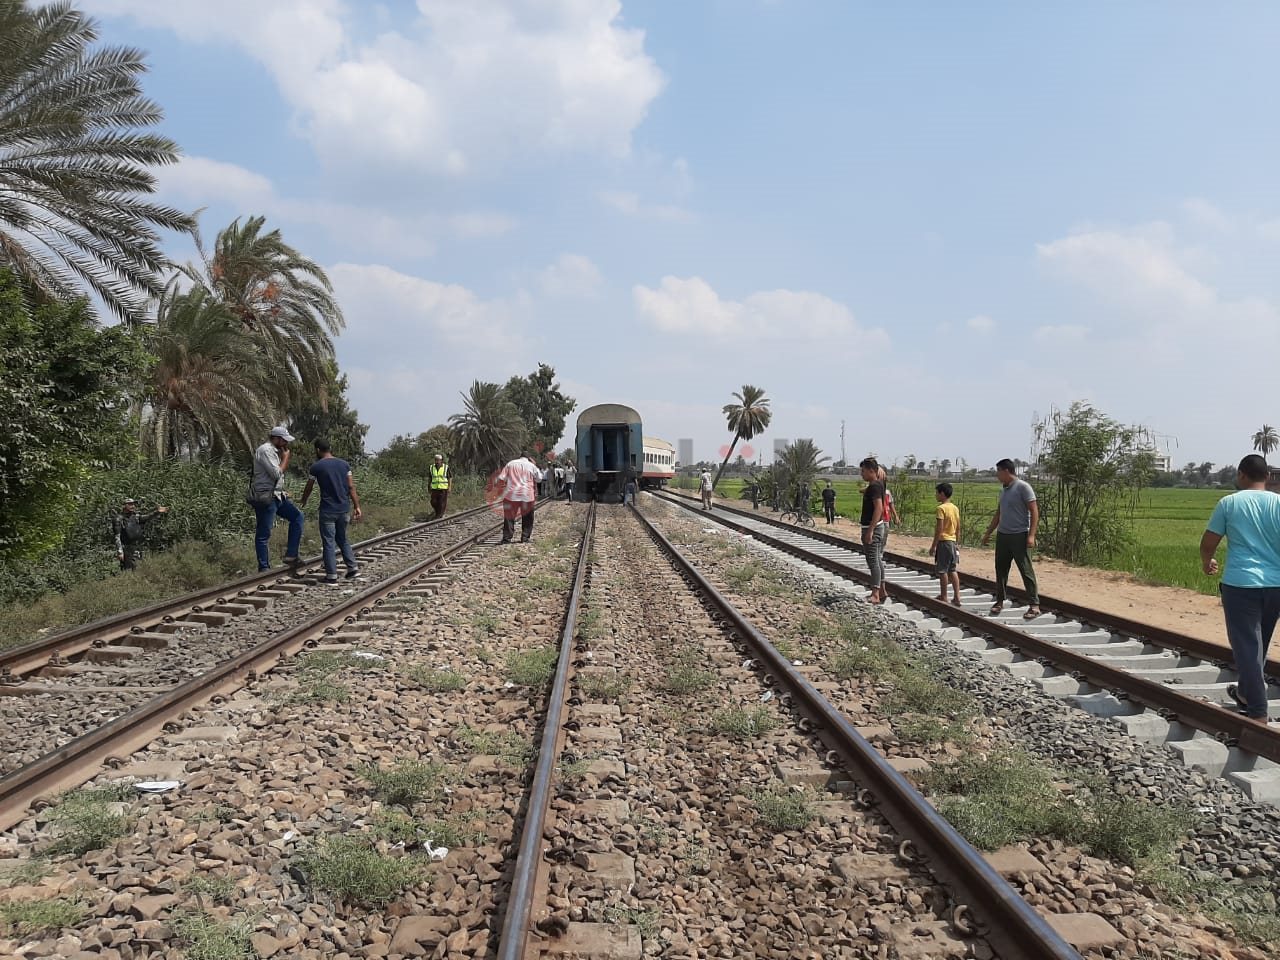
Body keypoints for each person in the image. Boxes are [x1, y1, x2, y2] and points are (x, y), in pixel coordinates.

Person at [1199, 454, 1280, 721]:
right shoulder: (1279, 503)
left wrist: (1207, 560)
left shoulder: (1230, 503)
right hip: (1275, 585)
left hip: (1241, 584)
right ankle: (1246, 693)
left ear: (1241, 475)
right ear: (1267, 477)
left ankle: (1257, 712)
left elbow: (1209, 540)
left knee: (1246, 646)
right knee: (1259, 645)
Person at [981, 458, 1040, 619]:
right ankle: (999, 601)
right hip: (1003, 536)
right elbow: (999, 514)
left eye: (998, 472)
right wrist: (988, 533)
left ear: (1006, 471)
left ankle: (1034, 605)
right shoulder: (1003, 490)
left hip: (1019, 535)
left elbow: (1034, 511)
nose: (997, 475)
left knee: (1025, 570)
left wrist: (1031, 535)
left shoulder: (1023, 487)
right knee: (1000, 570)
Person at [300, 438, 362, 584]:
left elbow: (309, 486)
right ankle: (353, 569)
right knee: (342, 539)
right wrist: (357, 506)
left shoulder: (316, 467)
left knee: (328, 542)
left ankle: (331, 576)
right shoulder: (344, 465)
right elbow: (351, 487)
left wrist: (304, 499)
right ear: (330, 448)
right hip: (343, 509)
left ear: (317, 450)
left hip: (327, 509)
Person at [249, 425, 305, 572]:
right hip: (266, 496)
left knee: (298, 517)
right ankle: (264, 568)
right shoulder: (265, 450)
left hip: (278, 496)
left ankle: (291, 555)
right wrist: (286, 458)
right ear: (277, 439)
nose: (286, 444)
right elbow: (276, 473)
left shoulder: (274, 451)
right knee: (264, 532)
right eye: (284, 440)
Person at [859, 457, 889, 604]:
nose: (861, 474)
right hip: (877, 526)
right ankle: (882, 591)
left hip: (873, 528)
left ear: (872, 471)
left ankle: (875, 594)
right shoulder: (877, 485)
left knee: (873, 561)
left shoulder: (875, 487)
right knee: (877, 559)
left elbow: (879, 508)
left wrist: (870, 530)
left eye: (863, 471)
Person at [113, 498, 168, 571]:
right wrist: (120, 552)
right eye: (130, 504)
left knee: (139, 568)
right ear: (124, 506)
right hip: (126, 548)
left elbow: (147, 517)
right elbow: (117, 537)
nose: (132, 506)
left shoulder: (135, 516)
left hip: (137, 547)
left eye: (133, 504)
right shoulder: (118, 519)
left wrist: (157, 512)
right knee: (128, 570)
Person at [930, 482, 962, 606]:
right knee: (952, 569)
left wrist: (933, 545)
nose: (935, 495)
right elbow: (958, 527)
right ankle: (957, 597)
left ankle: (944, 596)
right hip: (952, 542)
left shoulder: (941, 509)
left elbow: (939, 529)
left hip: (943, 542)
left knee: (942, 570)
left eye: (937, 492)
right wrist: (957, 542)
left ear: (942, 494)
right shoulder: (955, 508)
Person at [497, 454, 541, 543]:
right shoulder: (531, 466)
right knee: (528, 517)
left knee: (509, 517)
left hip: (511, 494)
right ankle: (525, 537)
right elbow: (539, 479)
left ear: (520, 456)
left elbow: (502, 478)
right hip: (527, 495)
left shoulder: (511, 464)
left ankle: (507, 538)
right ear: (528, 458)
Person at [428, 453, 451, 520]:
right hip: (434, 488)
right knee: (433, 502)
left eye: (438, 460)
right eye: (436, 460)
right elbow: (430, 478)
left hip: (443, 488)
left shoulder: (446, 467)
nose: (437, 461)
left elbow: (449, 477)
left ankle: (439, 515)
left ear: (441, 461)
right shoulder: (431, 467)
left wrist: (449, 487)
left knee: (441, 502)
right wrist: (429, 486)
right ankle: (437, 513)